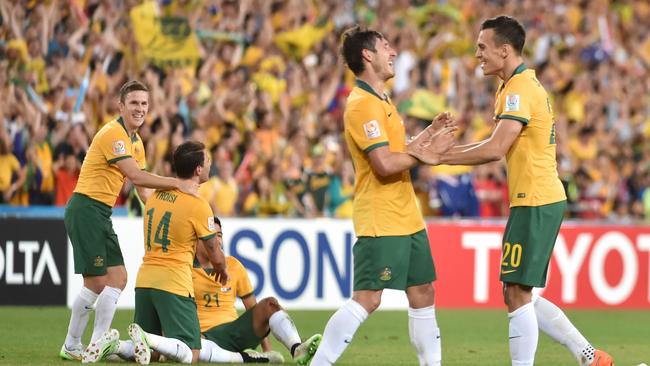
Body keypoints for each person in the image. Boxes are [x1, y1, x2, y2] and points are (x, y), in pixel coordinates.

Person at [408, 15, 614, 366]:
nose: (477, 54)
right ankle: (589, 356)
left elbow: (496, 147)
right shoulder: (515, 86)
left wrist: (441, 156)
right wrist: (442, 155)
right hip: (534, 199)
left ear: (505, 51)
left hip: (536, 199)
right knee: (520, 292)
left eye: (483, 47)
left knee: (517, 292)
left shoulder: (518, 90)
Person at [310, 26, 456, 366]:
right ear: (368, 55)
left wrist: (428, 135)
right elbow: (384, 163)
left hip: (407, 213)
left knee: (423, 291)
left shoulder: (382, 99)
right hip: (382, 215)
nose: (393, 53)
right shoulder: (361, 104)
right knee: (368, 298)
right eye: (386, 46)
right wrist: (427, 154)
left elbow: (397, 151)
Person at [59, 80, 199, 361]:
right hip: (86, 209)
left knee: (118, 278)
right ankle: (72, 345)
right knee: (97, 282)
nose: (140, 109)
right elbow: (135, 176)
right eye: (134, 103)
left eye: (144, 104)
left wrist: (167, 211)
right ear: (120, 106)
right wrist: (177, 183)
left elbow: (144, 191)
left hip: (100, 212)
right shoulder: (115, 134)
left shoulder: (136, 142)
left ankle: (97, 344)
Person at [89, 140, 229, 364]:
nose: (211, 163)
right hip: (174, 282)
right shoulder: (199, 205)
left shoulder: (156, 196)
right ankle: (147, 338)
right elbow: (213, 249)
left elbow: (141, 188)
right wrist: (223, 269)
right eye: (208, 160)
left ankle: (113, 345)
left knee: (148, 354)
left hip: (145, 281)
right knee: (191, 352)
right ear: (198, 169)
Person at [192, 216, 322, 364]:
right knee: (193, 345)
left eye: (219, 235)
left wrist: (267, 350)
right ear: (198, 239)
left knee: (269, 304)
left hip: (235, 332)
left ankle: (297, 349)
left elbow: (252, 309)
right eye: (211, 236)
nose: (217, 240)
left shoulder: (234, 266)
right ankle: (247, 358)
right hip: (204, 337)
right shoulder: (185, 269)